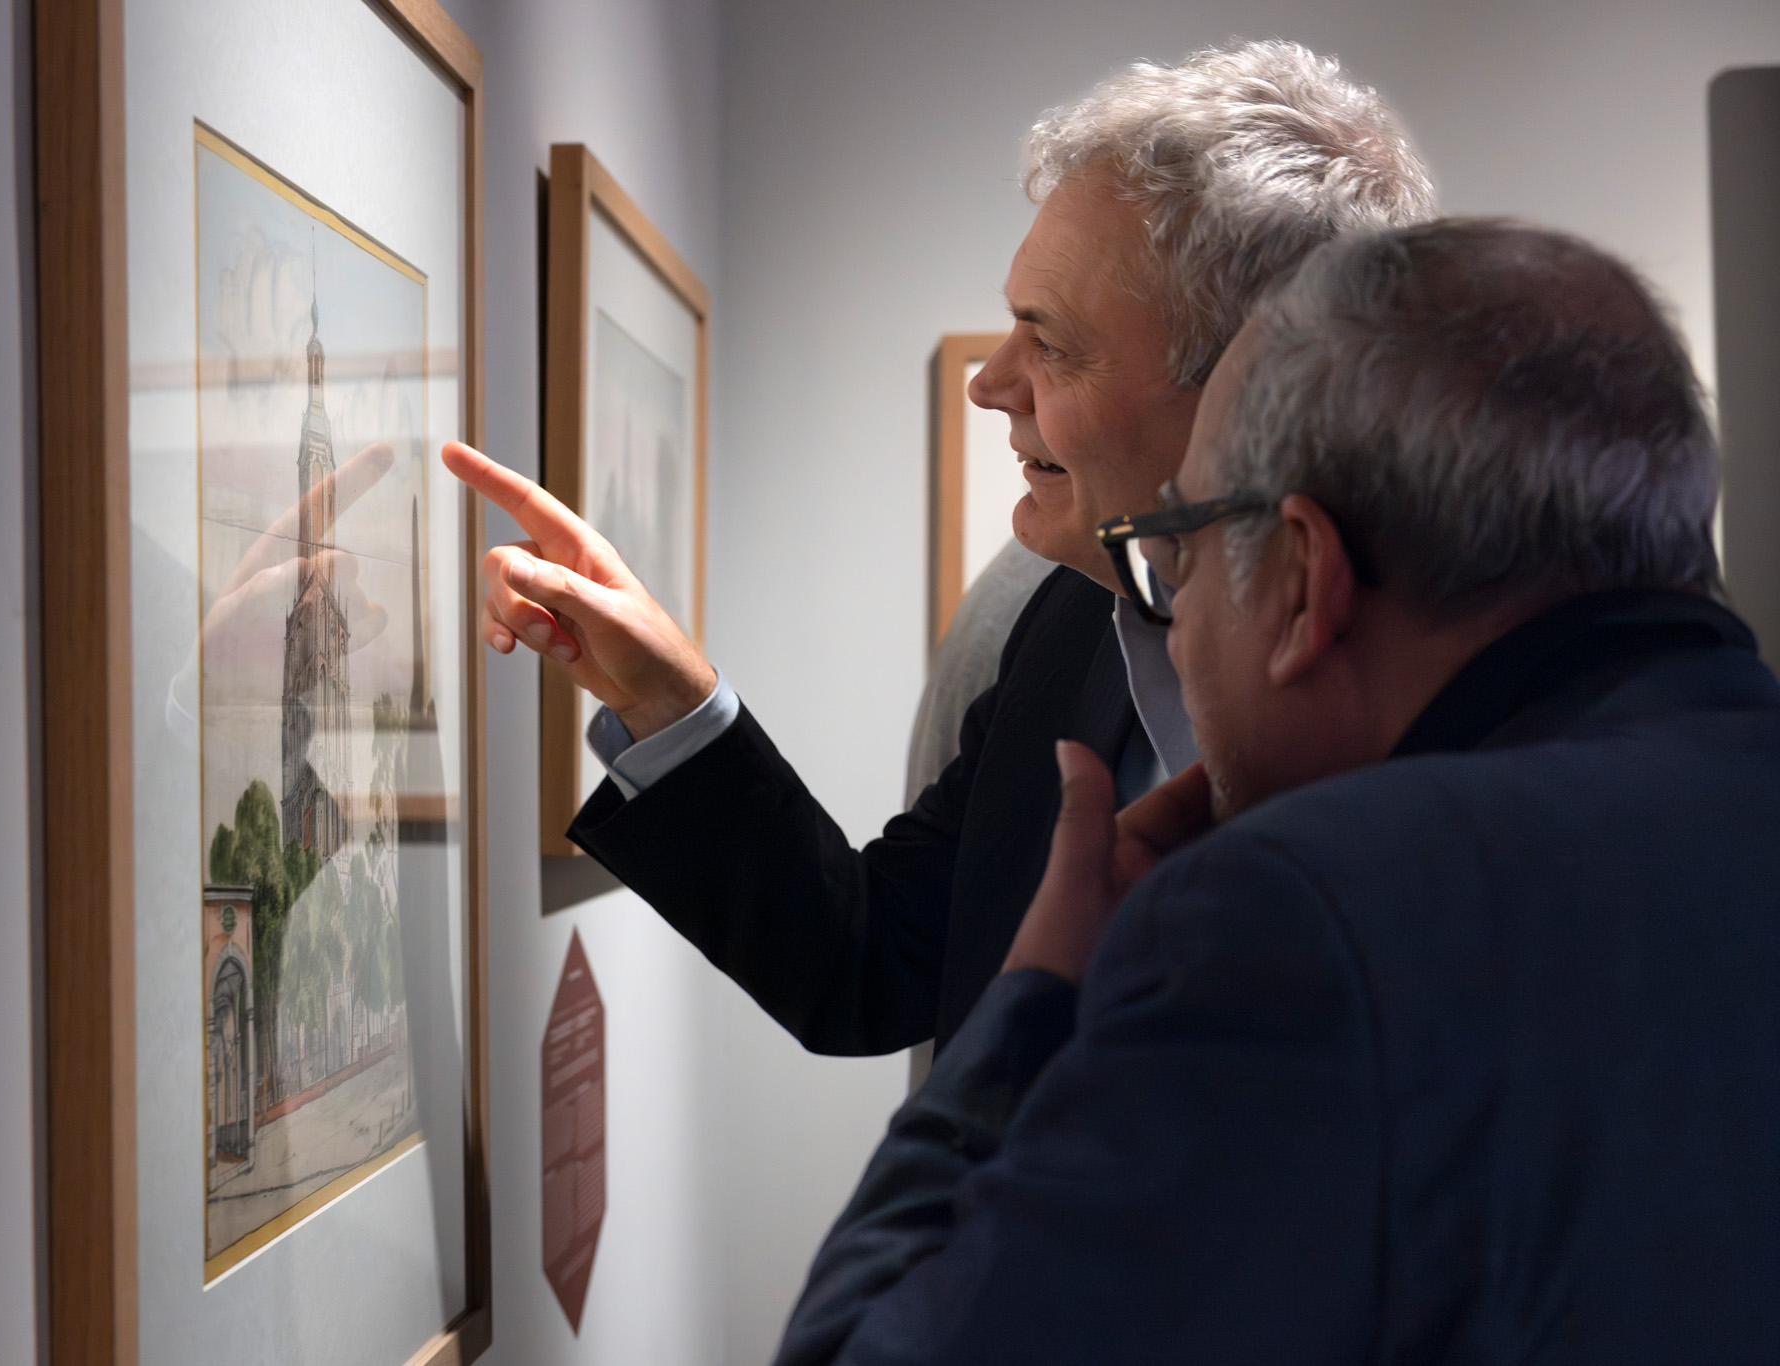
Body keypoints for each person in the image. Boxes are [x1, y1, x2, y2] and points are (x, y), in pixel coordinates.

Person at [776, 218, 1780, 1364]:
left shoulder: (1302, 916)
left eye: (1178, 558)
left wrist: (1031, 1008)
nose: (1174, 618)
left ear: (1304, 577)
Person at [447, 41, 1434, 1053]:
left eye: (1049, 344)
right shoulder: (1064, 617)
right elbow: (878, 964)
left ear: (1247, 389)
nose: (988, 383)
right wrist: (669, 702)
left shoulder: (1456, 740)